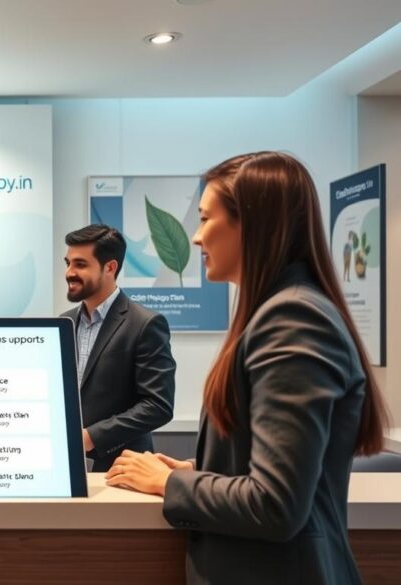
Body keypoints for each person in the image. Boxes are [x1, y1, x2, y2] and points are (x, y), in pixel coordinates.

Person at [106, 152, 390, 584]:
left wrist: (170, 484)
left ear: (253, 225)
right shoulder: (281, 311)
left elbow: (276, 505)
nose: (197, 238)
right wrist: (197, 471)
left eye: (205, 219)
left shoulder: (294, 320)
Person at [61, 224, 175, 472]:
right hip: (64, 466)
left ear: (110, 268)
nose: (69, 272)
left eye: (80, 264)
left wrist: (92, 437)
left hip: (122, 470)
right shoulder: (64, 322)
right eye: (68, 263)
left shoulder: (145, 324)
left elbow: (158, 405)